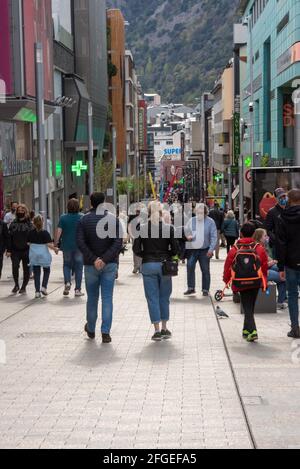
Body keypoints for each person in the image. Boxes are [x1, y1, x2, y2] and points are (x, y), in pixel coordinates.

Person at [77, 192, 123, 344]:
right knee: (107, 298)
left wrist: (94, 259)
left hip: (90, 265)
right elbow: (117, 242)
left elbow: (81, 243)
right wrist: (104, 259)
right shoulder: (112, 219)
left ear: (91, 202)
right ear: (103, 202)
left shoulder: (84, 220)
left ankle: (90, 328)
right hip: (108, 265)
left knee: (92, 299)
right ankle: (105, 332)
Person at [133, 201, 179, 342]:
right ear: (161, 212)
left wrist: (145, 255)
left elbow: (136, 248)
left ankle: (157, 330)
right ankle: (165, 328)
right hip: (165, 266)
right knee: (164, 297)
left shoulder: (142, 228)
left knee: (152, 298)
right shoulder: (169, 228)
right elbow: (176, 249)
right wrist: (169, 255)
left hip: (148, 265)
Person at [223, 223, 268, 342]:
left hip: (240, 282)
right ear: (254, 234)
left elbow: (228, 265)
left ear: (241, 233)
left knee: (247, 306)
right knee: (250, 306)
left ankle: (252, 331)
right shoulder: (259, 248)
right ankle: (246, 330)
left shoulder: (235, 248)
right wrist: (264, 281)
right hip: (255, 281)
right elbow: (264, 266)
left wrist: (226, 279)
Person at [277, 189, 300, 338]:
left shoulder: (282, 218)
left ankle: (295, 328)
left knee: (292, 295)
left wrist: (280, 266)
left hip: (291, 263)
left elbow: (281, 244)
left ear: (289, 200)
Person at [184, 204, 218, 297]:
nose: (199, 214)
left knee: (205, 270)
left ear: (206, 213)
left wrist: (211, 250)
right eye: (198, 212)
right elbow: (186, 229)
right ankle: (191, 288)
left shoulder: (210, 222)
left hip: (205, 250)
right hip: (192, 249)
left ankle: (205, 289)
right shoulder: (192, 220)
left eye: (201, 213)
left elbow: (214, 237)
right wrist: (188, 235)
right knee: (190, 267)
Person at [55, 199, 84, 297]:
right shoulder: (82, 217)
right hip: (79, 246)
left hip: (66, 246)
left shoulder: (63, 218)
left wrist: (56, 243)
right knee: (79, 267)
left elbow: (59, 231)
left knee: (66, 265)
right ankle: (77, 290)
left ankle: (67, 282)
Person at [253, 228, 287, 310]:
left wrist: (272, 261)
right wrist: (270, 263)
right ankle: (280, 302)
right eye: (265, 236)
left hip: (260, 271)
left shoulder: (257, 246)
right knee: (283, 277)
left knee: (279, 269)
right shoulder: (259, 248)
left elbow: (266, 258)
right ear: (260, 237)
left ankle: (282, 299)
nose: (267, 237)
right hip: (260, 273)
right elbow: (260, 265)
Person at [28, 215, 58, 299]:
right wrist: (55, 249)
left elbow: (28, 243)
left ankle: (37, 292)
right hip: (43, 256)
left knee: (36, 273)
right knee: (46, 270)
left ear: (33, 223)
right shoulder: (45, 233)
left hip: (34, 256)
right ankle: (44, 287)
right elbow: (49, 244)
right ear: (43, 222)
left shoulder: (30, 233)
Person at [6, 204, 33, 294]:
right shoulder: (13, 224)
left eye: (22, 211)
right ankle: (16, 285)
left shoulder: (30, 224)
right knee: (14, 267)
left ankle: (24, 287)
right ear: (16, 212)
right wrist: (8, 250)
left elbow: (34, 236)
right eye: (19, 211)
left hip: (26, 250)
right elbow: (9, 238)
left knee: (26, 269)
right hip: (15, 250)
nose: (20, 212)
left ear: (25, 212)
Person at [265, 188, 288, 258]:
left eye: (284, 196)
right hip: (278, 246)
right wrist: (276, 240)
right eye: (280, 197)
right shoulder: (272, 212)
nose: (283, 198)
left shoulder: (290, 209)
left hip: (290, 243)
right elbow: (268, 230)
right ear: (276, 199)